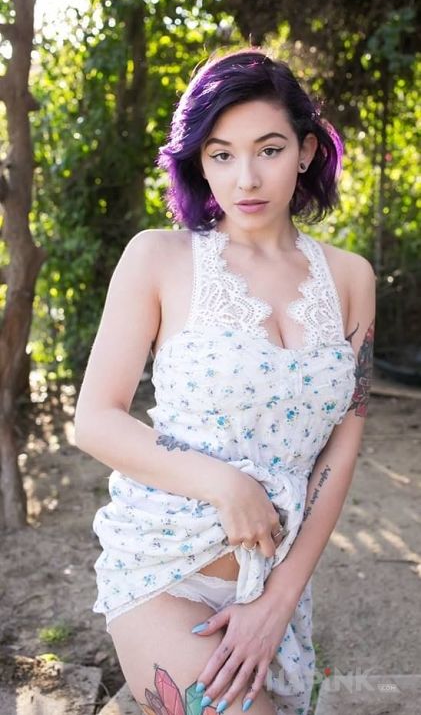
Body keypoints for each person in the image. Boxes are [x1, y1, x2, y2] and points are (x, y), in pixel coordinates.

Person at [74, 48, 375, 715]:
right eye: (221, 154)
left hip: (274, 584)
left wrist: (278, 601)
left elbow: (343, 444)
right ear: (198, 162)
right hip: (163, 572)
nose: (246, 178)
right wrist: (225, 484)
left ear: (305, 150)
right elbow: (95, 418)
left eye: (269, 149)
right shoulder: (159, 257)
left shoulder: (350, 278)